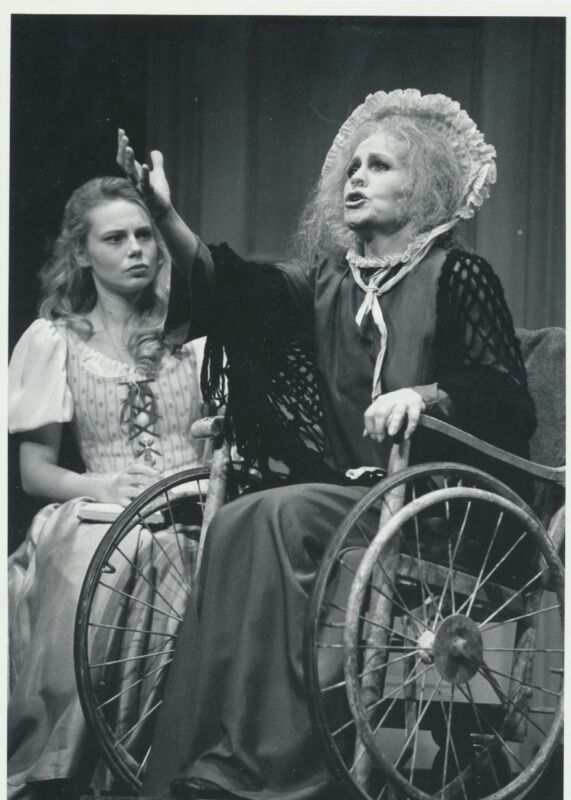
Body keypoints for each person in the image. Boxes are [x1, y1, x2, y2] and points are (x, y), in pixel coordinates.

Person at [117, 89, 536, 800]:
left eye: (380, 166)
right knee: (238, 520)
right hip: (355, 498)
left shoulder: (458, 274)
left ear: (425, 189)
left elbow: (505, 398)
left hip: (439, 507)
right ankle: (215, 758)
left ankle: (278, 770)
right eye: (352, 166)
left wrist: (426, 396)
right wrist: (165, 215)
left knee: (278, 515)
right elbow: (234, 289)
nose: (356, 178)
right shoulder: (329, 281)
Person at [8, 176, 208, 800]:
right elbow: (34, 472)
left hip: (195, 510)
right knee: (113, 556)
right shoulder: (55, 340)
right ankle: (81, 769)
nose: (136, 249)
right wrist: (107, 484)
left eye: (144, 235)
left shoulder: (193, 337)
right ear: (81, 253)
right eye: (115, 238)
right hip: (101, 512)